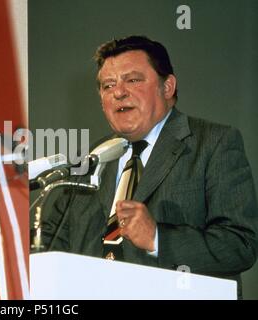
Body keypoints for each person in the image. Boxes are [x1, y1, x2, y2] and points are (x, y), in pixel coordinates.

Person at [41, 35, 258, 298]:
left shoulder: (214, 143)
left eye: (132, 80)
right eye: (107, 85)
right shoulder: (90, 159)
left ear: (167, 87)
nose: (118, 92)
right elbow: (50, 244)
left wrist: (158, 238)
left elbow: (241, 245)